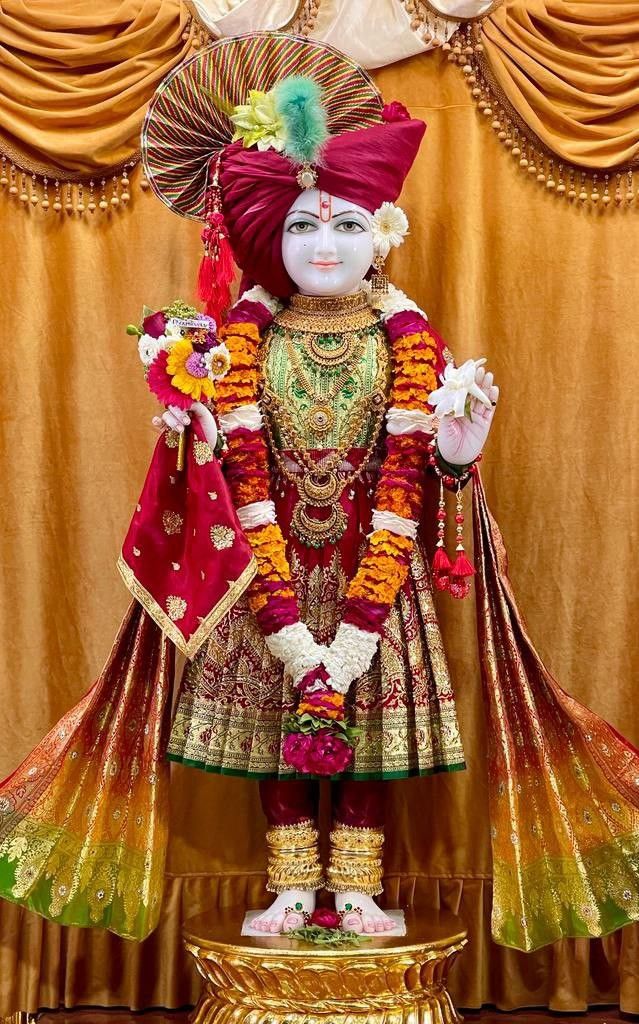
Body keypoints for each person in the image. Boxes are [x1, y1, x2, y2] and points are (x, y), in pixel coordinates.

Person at [0, 33, 637, 954]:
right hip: (271, 574)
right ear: (269, 240)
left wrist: (458, 456)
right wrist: (194, 436)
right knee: (274, 731)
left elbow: (427, 486)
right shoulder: (236, 348)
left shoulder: (407, 342)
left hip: (379, 577)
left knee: (368, 738)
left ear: (378, 233)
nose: (324, 244)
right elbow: (214, 489)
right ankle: (292, 885)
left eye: (343, 222)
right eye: (300, 226)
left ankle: (362, 887)